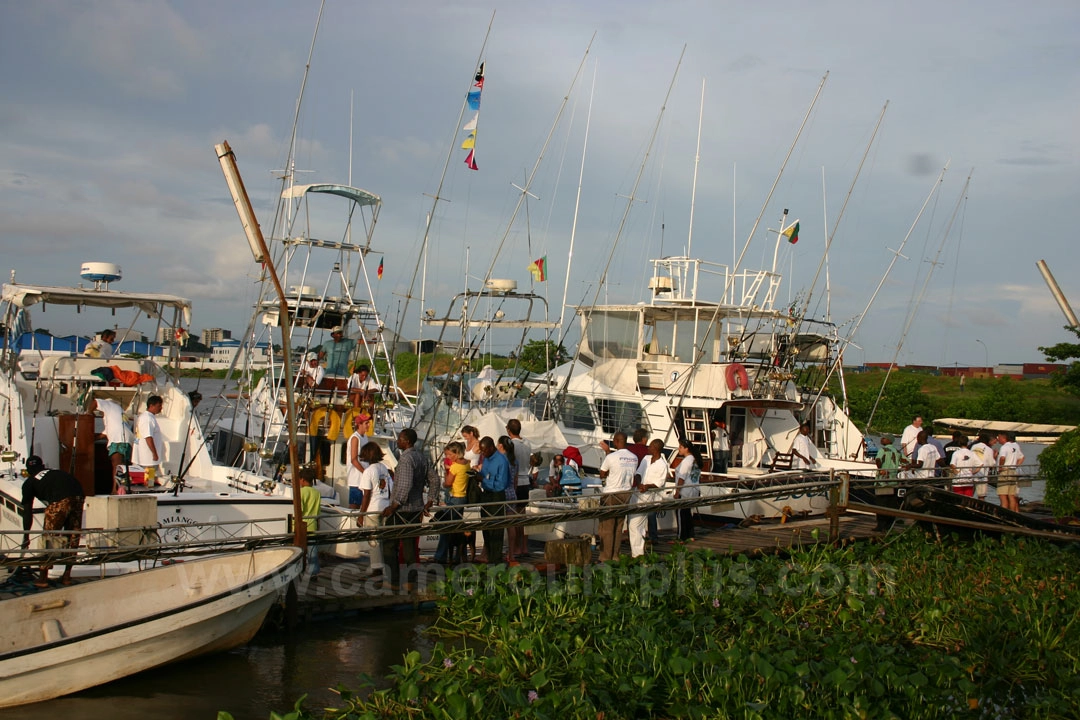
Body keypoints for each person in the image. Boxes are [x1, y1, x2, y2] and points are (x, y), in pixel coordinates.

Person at [381, 428, 439, 589]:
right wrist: (430, 499)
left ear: (406, 441)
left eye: (399, 439)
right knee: (409, 545)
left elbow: (405, 484)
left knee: (389, 544)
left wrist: (394, 505)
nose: (397, 441)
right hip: (417, 508)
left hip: (402, 510)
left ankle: (393, 581)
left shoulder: (406, 459)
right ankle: (410, 581)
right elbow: (434, 479)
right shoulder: (421, 457)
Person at [20, 456, 84, 588]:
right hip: (78, 495)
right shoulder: (54, 472)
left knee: (49, 536)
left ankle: (43, 578)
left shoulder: (29, 482)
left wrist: (26, 536)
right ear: (43, 466)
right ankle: (67, 576)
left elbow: (27, 512)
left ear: (28, 470)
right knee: (73, 535)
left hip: (60, 500)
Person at [597, 431, 638, 561]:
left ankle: (605, 557)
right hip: (626, 494)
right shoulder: (634, 457)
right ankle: (615, 555)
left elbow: (602, 474)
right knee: (619, 526)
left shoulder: (611, 457)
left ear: (616, 441)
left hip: (611, 494)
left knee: (607, 527)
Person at [359, 442, 393, 576]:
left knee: (373, 539)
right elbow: (389, 487)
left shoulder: (369, 471)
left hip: (373, 508)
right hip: (385, 505)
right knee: (383, 538)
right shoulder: (384, 468)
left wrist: (361, 514)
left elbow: (366, 494)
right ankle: (386, 564)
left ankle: (376, 567)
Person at [629, 439, 668, 556]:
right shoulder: (646, 459)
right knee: (635, 524)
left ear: (656, 448)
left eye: (650, 446)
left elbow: (659, 483)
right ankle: (637, 551)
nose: (648, 448)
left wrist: (647, 486)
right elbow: (638, 473)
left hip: (649, 496)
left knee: (635, 524)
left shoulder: (662, 465)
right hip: (638, 493)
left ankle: (637, 553)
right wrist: (640, 483)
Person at [434, 441, 470, 565]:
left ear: (456, 453)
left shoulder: (455, 467)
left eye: (449, 454)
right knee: (457, 527)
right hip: (462, 497)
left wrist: (445, 479)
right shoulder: (467, 464)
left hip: (454, 497)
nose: (448, 457)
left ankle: (441, 555)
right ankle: (458, 556)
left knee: (446, 526)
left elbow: (448, 483)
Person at [478, 435, 511, 564]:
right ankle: (489, 556)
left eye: (484, 450)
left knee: (496, 528)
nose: (482, 453)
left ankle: (496, 559)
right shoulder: (486, 459)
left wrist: (484, 480)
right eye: (481, 451)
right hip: (486, 494)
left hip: (497, 495)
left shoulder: (501, 461)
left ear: (491, 448)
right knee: (485, 526)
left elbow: (501, 484)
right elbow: (485, 474)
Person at [92, 397, 133, 494]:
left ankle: (114, 490)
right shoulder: (117, 413)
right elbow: (104, 434)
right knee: (123, 466)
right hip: (127, 440)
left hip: (118, 440)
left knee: (116, 466)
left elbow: (95, 402)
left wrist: (88, 413)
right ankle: (122, 489)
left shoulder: (109, 405)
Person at [506, 420, 532, 559]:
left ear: (509, 430)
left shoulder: (511, 444)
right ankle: (524, 547)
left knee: (514, 516)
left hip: (516, 481)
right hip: (525, 480)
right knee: (523, 515)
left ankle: (516, 547)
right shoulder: (527, 443)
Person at [872, 435, 904, 532]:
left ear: (889, 440)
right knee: (891, 504)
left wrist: (881, 469)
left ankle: (880, 525)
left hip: (882, 481)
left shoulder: (883, 450)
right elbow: (906, 461)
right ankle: (889, 525)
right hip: (893, 482)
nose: (881, 439)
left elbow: (878, 459)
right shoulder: (897, 452)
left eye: (884, 438)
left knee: (881, 504)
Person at [673, 439, 703, 541]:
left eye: (681, 447)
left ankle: (681, 537)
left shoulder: (686, 461)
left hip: (685, 491)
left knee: (681, 513)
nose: (679, 449)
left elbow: (682, 477)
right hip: (694, 489)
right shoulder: (695, 459)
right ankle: (690, 535)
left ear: (686, 449)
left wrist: (677, 492)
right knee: (687, 513)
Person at [135, 395, 165, 487]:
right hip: (148, 458)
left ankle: (149, 488)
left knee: (150, 477)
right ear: (151, 405)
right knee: (149, 479)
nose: (161, 408)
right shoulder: (147, 419)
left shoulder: (148, 417)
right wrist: (154, 454)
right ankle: (149, 490)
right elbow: (148, 437)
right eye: (159, 405)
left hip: (148, 458)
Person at [297, 466, 321, 577]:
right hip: (313, 524)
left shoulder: (301, 492)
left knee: (299, 550)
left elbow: (300, 510)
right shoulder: (317, 493)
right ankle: (314, 572)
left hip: (302, 525)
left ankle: (299, 570)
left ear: (302, 479)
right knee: (313, 551)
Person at [996, 432, 1024, 512]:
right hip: (1013, 471)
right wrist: (1015, 465)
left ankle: (1004, 514)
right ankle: (1013, 513)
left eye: (999, 437)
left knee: (1003, 496)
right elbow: (1022, 457)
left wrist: (1000, 468)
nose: (998, 439)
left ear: (1004, 437)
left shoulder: (1005, 447)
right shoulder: (1016, 445)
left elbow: (1002, 458)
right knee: (1011, 496)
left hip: (1005, 471)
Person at [346, 414, 368, 510]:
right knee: (354, 505)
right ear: (359, 424)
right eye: (366, 423)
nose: (368, 425)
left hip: (363, 478)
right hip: (356, 479)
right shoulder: (355, 438)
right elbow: (353, 459)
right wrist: (365, 472)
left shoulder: (365, 437)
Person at [970, 431, 996, 500]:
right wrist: (995, 457)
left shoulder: (973, 446)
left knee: (970, 495)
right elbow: (991, 464)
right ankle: (980, 508)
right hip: (982, 475)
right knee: (981, 496)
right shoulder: (989, 449)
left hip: (972, 473)